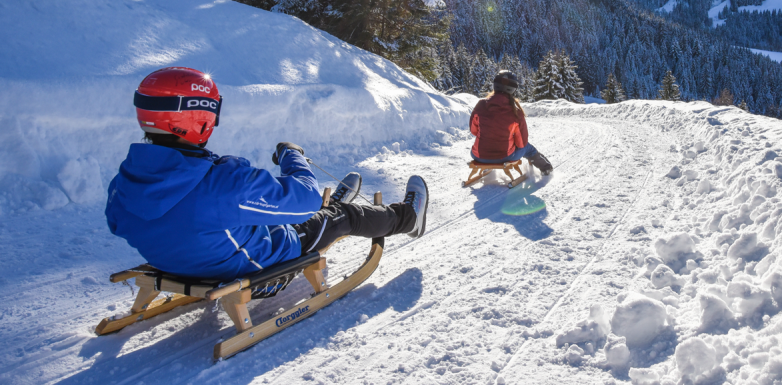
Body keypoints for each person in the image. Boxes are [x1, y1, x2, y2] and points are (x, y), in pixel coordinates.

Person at [105, 66, 428, 280]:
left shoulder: (125, 180)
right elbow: (304, 197)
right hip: (248, 263)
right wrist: (292, 156)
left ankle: (309, 211)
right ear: (198, 117)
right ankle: (408, 218)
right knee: (342, 216)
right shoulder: (224, 183)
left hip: (179, 261)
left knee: (252, 211)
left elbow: (120, 224)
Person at [470, 70, 553, 175]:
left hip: (478, 156)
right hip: (505, 157)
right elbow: (521, 143)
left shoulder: (481, 105)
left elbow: (474, 130)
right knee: (528, 148)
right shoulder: (516, 112)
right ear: (513, 89)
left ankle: (487, 165)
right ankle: (546, 168)